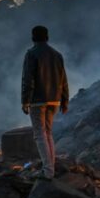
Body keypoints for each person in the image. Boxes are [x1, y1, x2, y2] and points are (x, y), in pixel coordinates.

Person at [21, 25, 69, 179]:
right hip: (54, 100)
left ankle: (48, 171)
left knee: (40, 135)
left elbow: (28, 79)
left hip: (37, 100)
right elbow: (63, 79)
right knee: (48, 133)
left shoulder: (31, 54)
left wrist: (25, 101)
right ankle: (50, 167)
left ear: (33, 37)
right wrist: (64, 100)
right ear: (47, 37)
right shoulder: (57, 55)